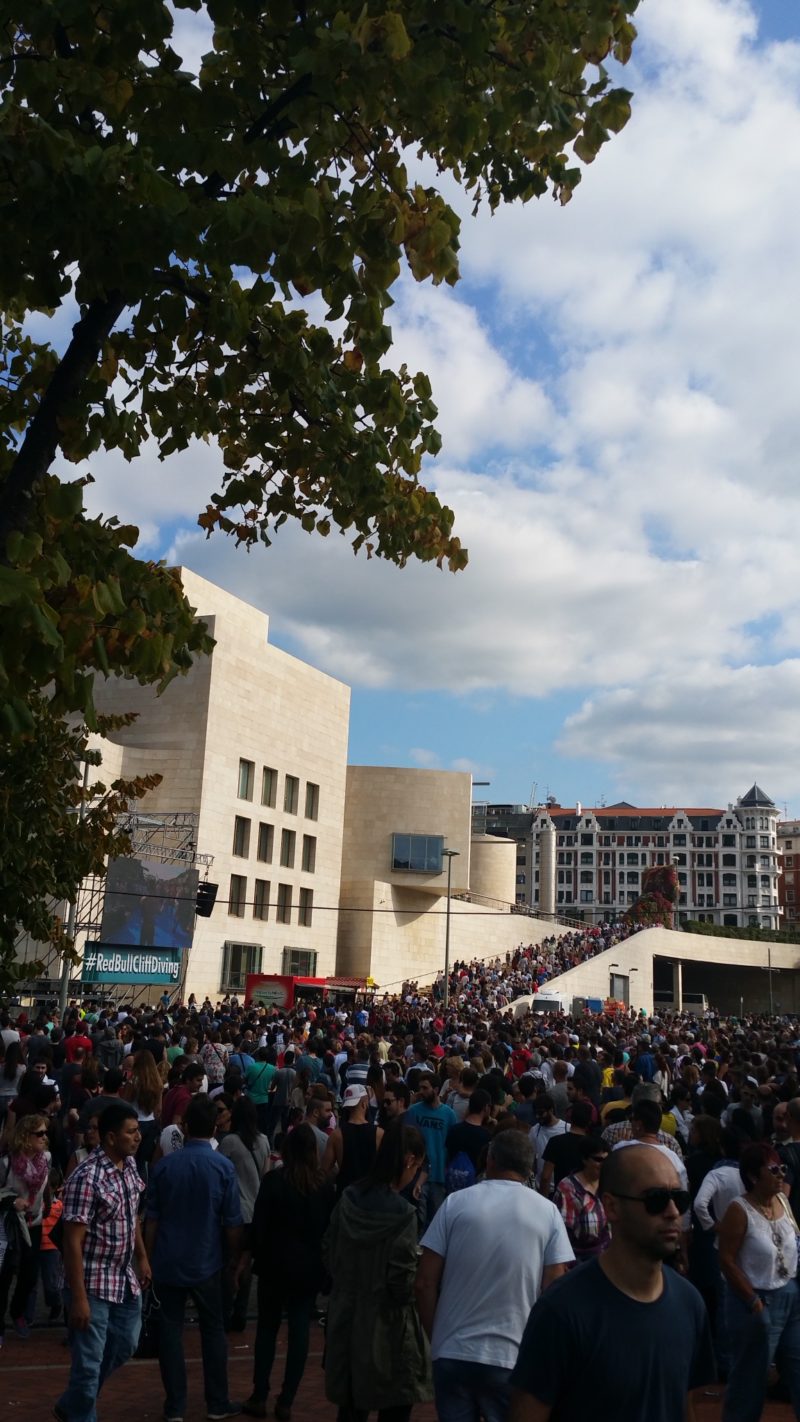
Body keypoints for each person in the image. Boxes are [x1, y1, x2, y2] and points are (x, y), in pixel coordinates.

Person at [509, 1143, 715, 1421]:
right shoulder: (561, 1310)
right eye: (655, 1199)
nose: (672, 1212)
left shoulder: (689, 1303)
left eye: (679, 1199)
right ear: (612, 1207)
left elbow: (684, 1404)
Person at [416, 1129, 573, 1422]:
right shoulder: (548, 1212)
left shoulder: (455, 1204)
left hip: (452, 1352)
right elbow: (554, 1289)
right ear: (529, 1167)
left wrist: (436, 1336)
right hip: (513, 1356)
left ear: (489, 1159)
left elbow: (424, 1282)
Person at [144, 1093, 243, 1421]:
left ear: (185, 1127)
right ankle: (217, 1401)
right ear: (215, 1126)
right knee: (212, 1330)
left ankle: (175, 1406)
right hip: (207, 1260)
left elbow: (152, 1219)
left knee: (170, 1332)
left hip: (169, 1260)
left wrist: (146, 1259)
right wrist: (233, 1258)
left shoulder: (164, 1167)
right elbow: (232, 1223)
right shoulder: (223, 1167)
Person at [324, 1121, 431, 1422]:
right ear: (410, 1160)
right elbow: (400, 1283)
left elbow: (328, 1251)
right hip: (388, 1329)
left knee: (351, 1407)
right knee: (395, 1405)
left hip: (346, 1316)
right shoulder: (403, 1215)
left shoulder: (348, 1199)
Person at [54, 1103, 151, 1422]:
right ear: (111, 1137)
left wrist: (141, 1256)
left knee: (126, 1343)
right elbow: (71, 1240)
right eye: (131, 1131)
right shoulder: (86, 1177)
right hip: (92, 1282)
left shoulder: (130, 1165)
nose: (138, 1137)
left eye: (138, 1130)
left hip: (123, 1278)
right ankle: (81, 1408)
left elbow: (131, 1215)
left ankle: (73, 1402)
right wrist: (78, 1298)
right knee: (88, 1364)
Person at [241, 1123, 336, 1419]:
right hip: (307, 1269)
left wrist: (252, 1255)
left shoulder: (274, 1181)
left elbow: (259, 1225)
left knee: (267, 1330)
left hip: (274, 1265)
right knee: (299, 1333)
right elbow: (327, 1231)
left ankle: (259, 1393)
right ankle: (287, 1398)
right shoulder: (323, 1187)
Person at [718, 1141, 800, 1422]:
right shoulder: (739, 1210)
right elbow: (726, 1260)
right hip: (755, 1299)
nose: (780, 1175)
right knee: (750, 1380)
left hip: (790, 1295)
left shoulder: (783, 1201)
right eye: (774, 1169)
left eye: (783, 1169)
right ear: (753, 1176)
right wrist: (753, 1302)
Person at [217, 1096, 269, 1332]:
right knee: (246, 1264)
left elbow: (219, 1175)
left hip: (235, 1211)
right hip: (256, 1209)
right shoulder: (264, 1140)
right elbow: (265, 1174)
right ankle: (240, 1312)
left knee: (231, 1262)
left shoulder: (229, 1142)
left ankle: (227, 1309)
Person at [0, 1113, 51, 1343]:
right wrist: (12, 1202)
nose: (44, 1137)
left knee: (30, 1275)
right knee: (5, 1275)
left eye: (45, 1132)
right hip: (11, 1224)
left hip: (35, 1222)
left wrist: (47, 1206)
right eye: (39, 1133)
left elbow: (47, 1186)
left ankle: (17, 1311)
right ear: (25, 1136)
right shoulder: (7, 1162)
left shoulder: (46, 1158)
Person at [405, 1072, 457, 1225]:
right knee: (418, 1220)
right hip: (416, 1174)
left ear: (435, 1089)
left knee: (436, 1221)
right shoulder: (413, 1111)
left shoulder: (449, 1114)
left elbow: (451, 1144)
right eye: (420, 1087)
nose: (421, 1091)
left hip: (439, 1175)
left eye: (425, 1088)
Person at [553, 1136, 611, 1265]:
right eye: (598, 1160)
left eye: (607, 1160)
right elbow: (562, 1235)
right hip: (581, 1263)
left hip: (609, 1261)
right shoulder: (568, 1188)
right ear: (584, 1159)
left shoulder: (609, 1183)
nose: (603, 1164)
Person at [323, 1084, 383, 1196]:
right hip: (372, 1196)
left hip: (346, 1195)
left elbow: (324, 1169)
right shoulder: (379, 1133)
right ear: (365, 1104)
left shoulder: (337, 1135)